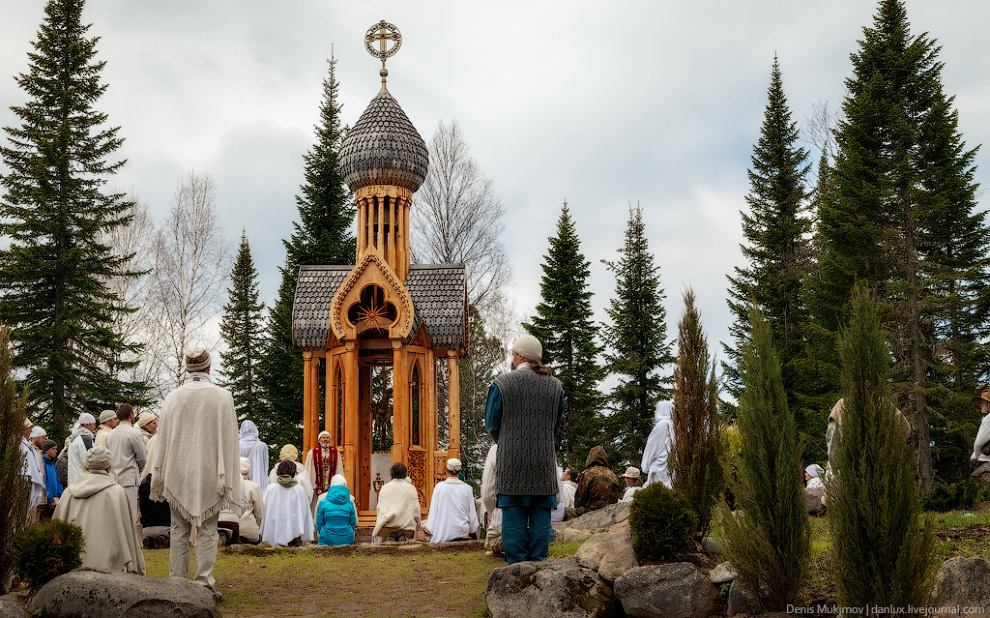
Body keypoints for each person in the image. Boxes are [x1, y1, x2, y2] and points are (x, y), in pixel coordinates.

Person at [148, 347, 241, 596]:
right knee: (208, 530)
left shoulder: (173, 397)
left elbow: (163, 438)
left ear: (187, 368)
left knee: (178, 530)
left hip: (178, 471)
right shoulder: (222, 397)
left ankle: (177, 584)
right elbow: (230, 439)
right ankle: (202, 584)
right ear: (208, 368)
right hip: (211, 472)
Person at [485, 335, 564, 564]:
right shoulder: (555, 387)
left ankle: (517, 570)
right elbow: (556, 426)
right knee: (541, 518)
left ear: (520, 356)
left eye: (512, 354)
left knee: (514, 519)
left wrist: (508, 441)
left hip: (511, 465)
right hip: (543, 463)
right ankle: (539, 568)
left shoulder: (501, 384)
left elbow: (491, 424)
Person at [53, 446, 145, 574]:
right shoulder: (116, 493)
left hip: (73, 567)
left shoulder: (68, 493)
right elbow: (128, 535)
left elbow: (56, 531)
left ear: (86, 466)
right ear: (109, 467)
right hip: (109, 569)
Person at [106, 402, 147, 534]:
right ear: (131, 415)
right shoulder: (134, 434)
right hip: (129, 479)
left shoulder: (110, 435)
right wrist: (138, 469)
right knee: (129, 517)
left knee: (115, 517)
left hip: (113, 479)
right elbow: (142, 458)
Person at [260, 460, 315, 547]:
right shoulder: (299, 489)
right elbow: (305, 511)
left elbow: (262, 509)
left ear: (278, 472)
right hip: (295, 530)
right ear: (294, 472)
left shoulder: (270, 489)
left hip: (274, 527)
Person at [424, 459, 479, 544]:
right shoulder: (467, 489)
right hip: (462, 533)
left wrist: (431, 529)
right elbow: (472, 514)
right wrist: (472, 529)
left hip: (442, 534)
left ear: (446, 469)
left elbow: (433, 514)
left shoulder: (439, 487)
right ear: (460, 471)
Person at [372, 462, 422, 544]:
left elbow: (380, 509)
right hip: (406, 526)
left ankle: (392, 537)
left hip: (387, 525)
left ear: (391, 474)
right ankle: (401, 537)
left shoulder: (384, 488)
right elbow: (416, 510)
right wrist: (418, 523)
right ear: (405, 474)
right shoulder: (411, 488)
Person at [572, 446, 621, 517]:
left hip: (591, 512)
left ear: (590, 458)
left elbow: (578, 502)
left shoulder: (587, 474)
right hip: (610, 512)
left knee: (567, 511)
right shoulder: (612, 475)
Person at [304, 430, 343, 514]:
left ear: (330, 440)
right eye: (323, 438)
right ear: (319, 440)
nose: (325, 440)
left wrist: (338, 483)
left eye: (327, 438)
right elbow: (308, 468)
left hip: (330, 483)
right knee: (315, 505)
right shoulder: (312, 453)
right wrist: (309, 483)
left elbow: (339, 468)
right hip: (316, 484)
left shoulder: (335, 452)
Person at [316, 474, 357, 546]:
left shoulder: (322, 501)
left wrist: (324, 533)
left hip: (326, 538)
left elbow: (318, 523)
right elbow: (353, 523)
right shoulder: (350, 502)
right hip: (346, 538)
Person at [642, 400, 674, 489]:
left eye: (657, 409)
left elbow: (651, 448)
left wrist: (645, 466)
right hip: (670, 469)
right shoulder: (674, 425)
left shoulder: (662, 425)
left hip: (659, 470)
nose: (654, 412)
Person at [19, 418, 45, 526]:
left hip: (29, 485)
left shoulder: (26, 445)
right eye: (29, 428)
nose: (30, 430)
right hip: (23, 485)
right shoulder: (20, 445)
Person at [480, 444, 503, 556]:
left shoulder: (497, 448)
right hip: (540, 529)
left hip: (508, 525)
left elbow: (487, 494)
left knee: (491, 539)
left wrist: (494, 512)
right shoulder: (546, 442)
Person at [138, 472, 171, 549]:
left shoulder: (143, 483)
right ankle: (165, 540)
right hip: (166, 527)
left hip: (146, 528)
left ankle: (150, 541)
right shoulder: (167, 482)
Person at [238, 420, 270, 494]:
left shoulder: (237, 445)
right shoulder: (262, 446)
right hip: (258, 478)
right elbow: (265, 467)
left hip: (241, 479)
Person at [238, 457, 264, 544]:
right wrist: (259, 527)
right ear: (248, 471)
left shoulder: (227, 485)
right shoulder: (253, 486)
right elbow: (259, 513)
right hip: (248, 530)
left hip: (227, 530)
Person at [66, 413, 96, 486]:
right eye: (93, 424)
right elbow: (88, 461)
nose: (94, 427)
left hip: (74, 481)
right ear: (87, 425)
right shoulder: (84, 439)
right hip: (82, 482)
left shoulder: (74, 438)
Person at [41, 440, 62, 519]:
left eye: (56, 449)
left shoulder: (52, 464)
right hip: (47, 501)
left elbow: (57, 481)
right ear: (46, 450)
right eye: (53, 449)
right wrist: (50, 499)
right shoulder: (42, 463)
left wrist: (62, 495)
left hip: (55, 499)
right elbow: (45, 482)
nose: (55, 451)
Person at [971, 390, 990, 474]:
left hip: (985, 461)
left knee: (976, 486)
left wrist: (976, 455)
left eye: (983, 402)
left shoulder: (988, 419)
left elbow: (978, 443)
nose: (980, 404)